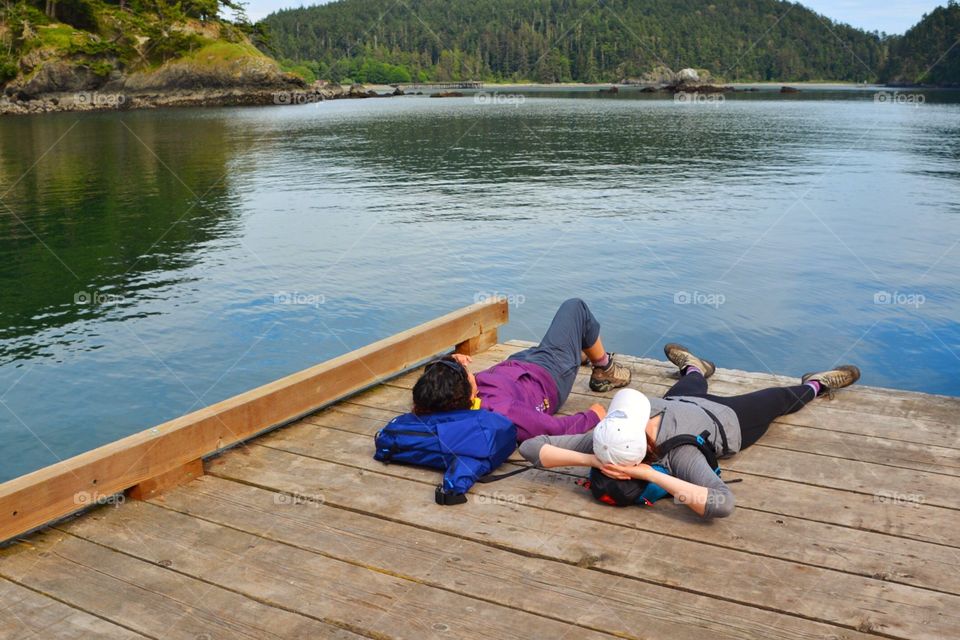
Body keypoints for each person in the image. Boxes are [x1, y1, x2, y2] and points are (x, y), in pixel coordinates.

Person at [518, 343, 861, 519]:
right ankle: (816, 384)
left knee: (692, 382)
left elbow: (532, 447)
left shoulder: (606, 437)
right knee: (779, 398)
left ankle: (696, 367)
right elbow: (722, 504)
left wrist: (596, 459)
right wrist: (648, 473)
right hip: (728, 419)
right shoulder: (681, 455)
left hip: (680, 401)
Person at [411, 298, 632, 441]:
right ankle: (604, 368)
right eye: (461, 370)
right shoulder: (504, 411)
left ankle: (578, 350)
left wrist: (446, 363)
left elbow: (429, 392)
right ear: (469, 392)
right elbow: (553, 428)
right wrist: (593, 416)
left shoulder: (442, 403)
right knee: (575, 308)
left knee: (565, 337)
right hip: (549, 373)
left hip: (519, 365)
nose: (464, 366)